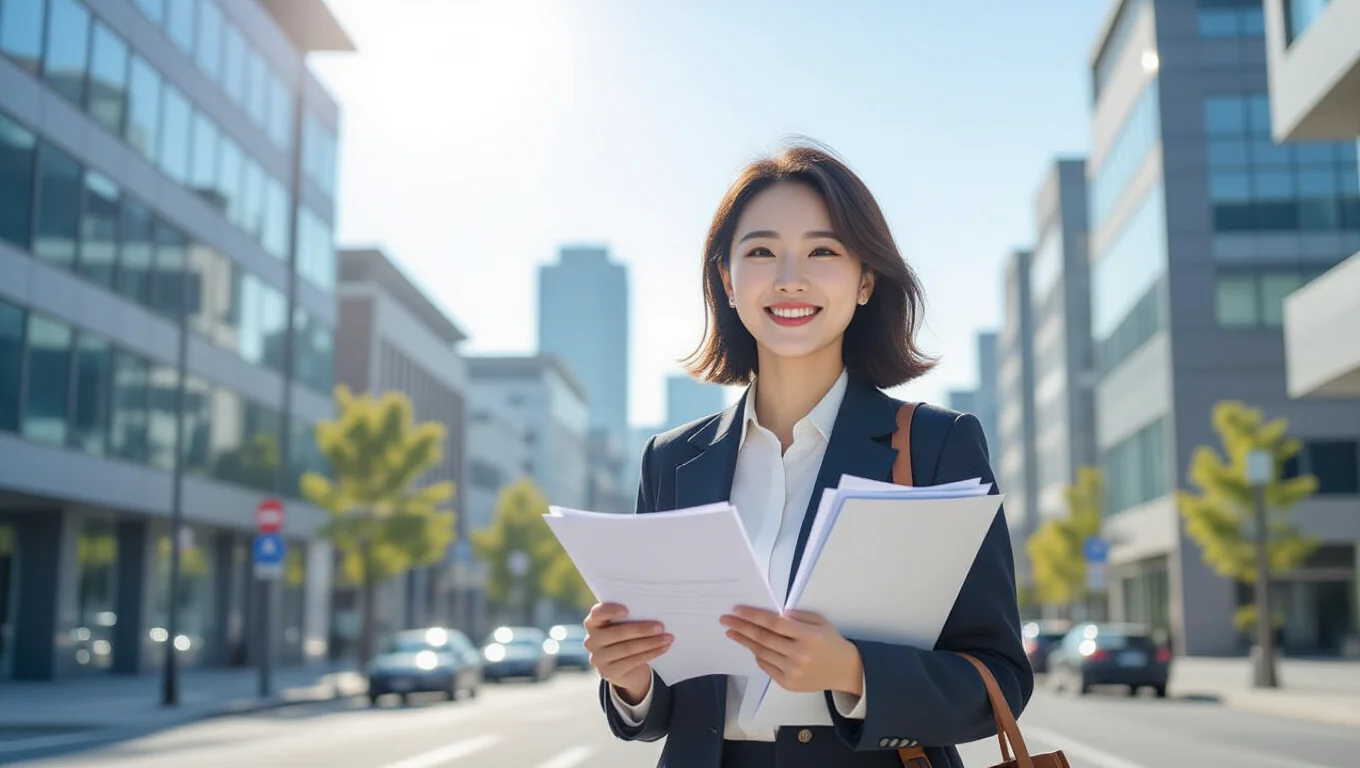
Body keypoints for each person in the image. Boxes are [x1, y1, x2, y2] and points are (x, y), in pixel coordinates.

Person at [581, 141, 1032, 768]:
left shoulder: (937, 445)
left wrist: (852, 671)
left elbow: (999, 678)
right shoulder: (671, 460)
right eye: (761, 251)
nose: (789, 276)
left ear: (866, 279)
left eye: (823, 251)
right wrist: (630, 680)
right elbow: (658, 713)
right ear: (727, 281)